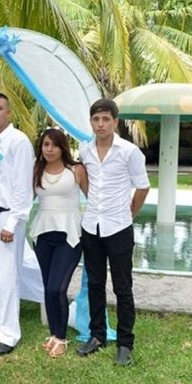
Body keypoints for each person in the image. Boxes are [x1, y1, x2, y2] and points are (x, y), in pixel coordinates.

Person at [76, 98, 149, 366]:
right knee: (94, 283)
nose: (101, 124)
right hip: (91, 227)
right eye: (96, 119)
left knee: (122, 287)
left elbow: (142, 187)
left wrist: (130, 213)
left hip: (119, 227)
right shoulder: (85, 151)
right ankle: (97, 335)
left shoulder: (129, 152)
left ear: (115, 122)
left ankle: (125, 344)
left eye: (106, 119)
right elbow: (87, 184)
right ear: (91, 122)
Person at [0, 92, 34, 355]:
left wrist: (12, 223)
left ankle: (9, 333)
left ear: (8, 112)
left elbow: (23, 187)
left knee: (7, 275)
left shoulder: (18, 141)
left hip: (7, 216)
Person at [29, 128, 87, 358]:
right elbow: (24, 199)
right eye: (45, 145)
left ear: (62, 147)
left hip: (70, 235)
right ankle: (54, 334)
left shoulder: (76, 170)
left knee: (57, 287)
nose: (49, 149)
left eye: (54, 145)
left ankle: (61, 338)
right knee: (48, 287)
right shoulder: (36, 170)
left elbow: (94, 197)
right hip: (43, 234)